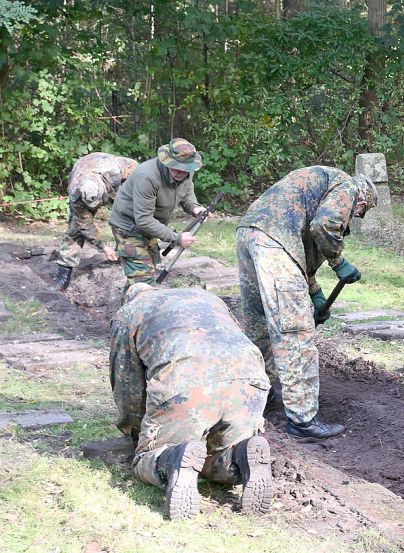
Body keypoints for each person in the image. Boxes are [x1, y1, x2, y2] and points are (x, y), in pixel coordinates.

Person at [110, 284, 273, 520]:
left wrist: (137, 433)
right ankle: (240, 454)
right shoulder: (208, 297)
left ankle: (171, 458)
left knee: (147, 458)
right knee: (217, 454)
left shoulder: (130, 312)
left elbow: (127, 386)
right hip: (250, 380)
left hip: (185, 383)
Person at [236, 166, 377, 440]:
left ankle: (256, 396)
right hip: (274, 242)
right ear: (361, 203)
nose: (351, 220)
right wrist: (339, 262)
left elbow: (302, 250)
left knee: (259, 325)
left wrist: (313, 292)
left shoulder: (315, 187)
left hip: (250, 233)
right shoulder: (349, 187)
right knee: (296, 333)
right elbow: (324, 225)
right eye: (357, 215)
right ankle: (302, 421)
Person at [108, 138, 206, 293]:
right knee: (144, 282)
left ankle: (128, 310)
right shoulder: (147, 176)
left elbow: (187, 193)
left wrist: (195, 208)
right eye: (176, 168)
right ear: (167, 161)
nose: (181, 172)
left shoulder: (187, 171)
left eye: (185, 169)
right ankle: (135, 314)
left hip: (151, 227)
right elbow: (143, 220)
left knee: (144, 275)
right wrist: (177, 238)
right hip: (129, 228)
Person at [51, 153, 138, 290]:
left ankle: (129, 254)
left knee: (127, 218)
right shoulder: (76, 194)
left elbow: (135, 169)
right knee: (75, 230)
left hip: (117, 186)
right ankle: (64, 275)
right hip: (82, 171)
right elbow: (84, 225)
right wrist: (103, 247)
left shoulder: (116, 171)